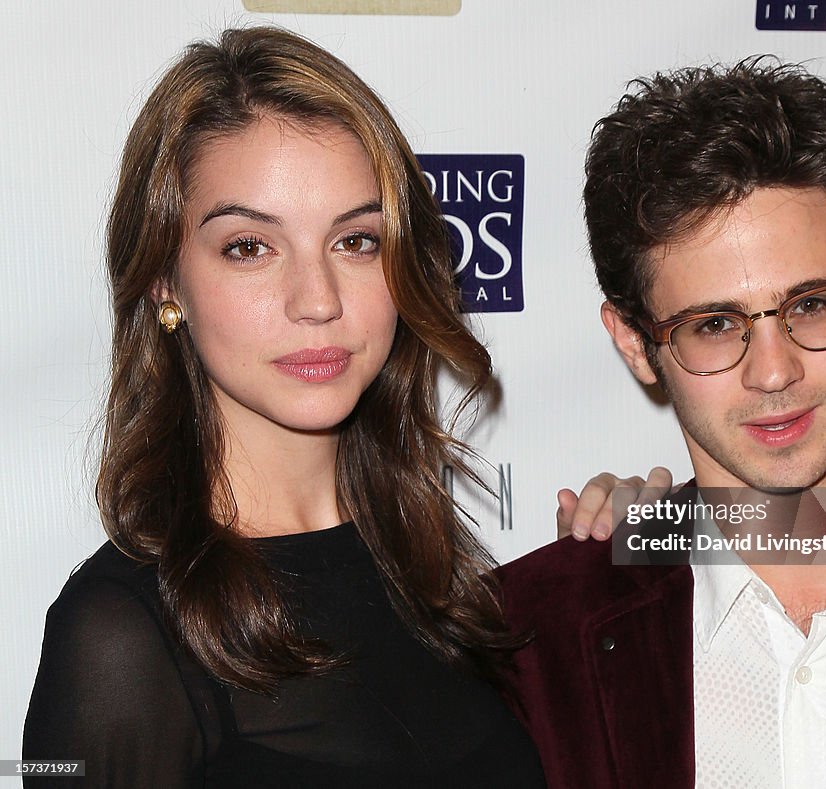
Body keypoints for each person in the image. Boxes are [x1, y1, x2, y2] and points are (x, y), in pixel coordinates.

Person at [22, 26, 550, 787]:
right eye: (249, 247)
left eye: (356, 241)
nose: (318, 300)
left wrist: (619, 552)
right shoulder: (119, 636)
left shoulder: (435, 573)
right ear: (165, 282)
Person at [498, 59, 826, 788]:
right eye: (714, 324)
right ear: (633, 341)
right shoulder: (529, 643)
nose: (774, 372)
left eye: (811, 304)